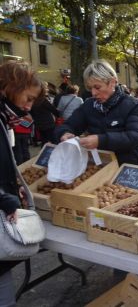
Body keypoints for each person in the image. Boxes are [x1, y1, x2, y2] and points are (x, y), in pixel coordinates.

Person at [0, 61, 44, 307]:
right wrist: (6, 199)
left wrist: (12, 184)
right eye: (28, 98)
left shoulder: (4, 119)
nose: (28, 106)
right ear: (11, 86)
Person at [55, 59, 138, 166]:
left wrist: (101, 140)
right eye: (90, 88)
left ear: (112, 82)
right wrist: (64, 133)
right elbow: (68, 125)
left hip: (130, 166)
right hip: (102, 165)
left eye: (97, 87)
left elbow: (137, 136)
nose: (93, 93)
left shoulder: (133, 105)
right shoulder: (88, 105)